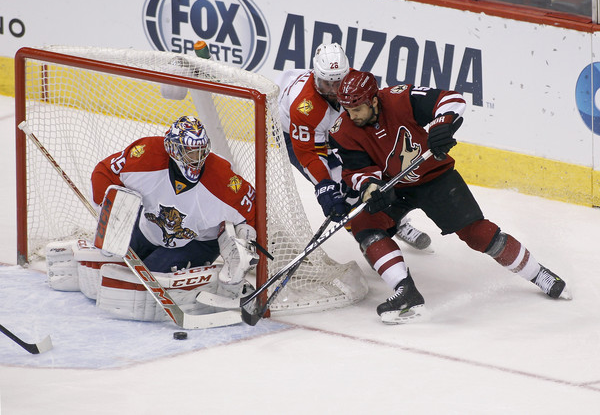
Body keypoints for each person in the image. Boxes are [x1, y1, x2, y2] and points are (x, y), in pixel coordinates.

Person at [329, 70, 571, 324]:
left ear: (374, 100)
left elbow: (451, 99)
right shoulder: (343, 129)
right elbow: (356, 170)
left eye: (357, 109)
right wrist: (370, 187)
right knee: (363, 225)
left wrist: (441, 125)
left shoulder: (400, 98)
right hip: (394, 187)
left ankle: (538, 273)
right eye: (347, 109)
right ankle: (405, 291)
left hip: (435, 178)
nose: (351, 115)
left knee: (477, 234)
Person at [276, 43, 431, 250]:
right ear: (315, 76)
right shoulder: (304, 106)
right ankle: (367, 240)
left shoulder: (355, 83)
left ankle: (395, 222)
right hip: (293, 133)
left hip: (331, 129)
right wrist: (324, 185)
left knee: (369, 176)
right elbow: (309, 154)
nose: (332, 91)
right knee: (339, 190)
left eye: (337, 83)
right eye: (326, 84)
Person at [90, 115, 259, 299]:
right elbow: (104, 172)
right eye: (191, 152)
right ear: (173, 149)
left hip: (197, 243)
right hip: (146, 228)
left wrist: (244, 245)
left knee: (144, 286)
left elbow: (253, 213)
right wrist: (109, 215)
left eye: (202, 151)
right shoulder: (146, 154)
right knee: (105, 267)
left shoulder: (223, 180)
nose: (197, 158)